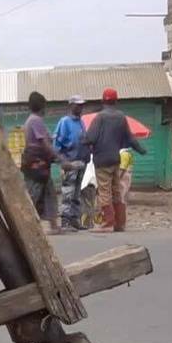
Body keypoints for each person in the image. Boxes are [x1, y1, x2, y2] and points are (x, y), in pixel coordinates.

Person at [82, 88, 146, 232]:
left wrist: (82, 140)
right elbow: (130, 138)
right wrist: (141, 150)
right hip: (116, 160)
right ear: (116, 101)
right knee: (116, 190)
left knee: (104, 191)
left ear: (103, 101)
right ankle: (120, 223)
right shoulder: (121, 117)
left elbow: (90, 138)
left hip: (101, 160)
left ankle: (107, 223)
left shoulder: (100, 117)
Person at [20, 91, 61, 234]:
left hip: (39, 165)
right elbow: (44, 142)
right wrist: (58, 158)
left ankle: (53, 226)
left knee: (49, 194)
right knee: (33, 196)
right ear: (42, 106)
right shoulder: (35, 121)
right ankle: (25, 227)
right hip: (37, 165)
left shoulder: (31, 120)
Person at [53, 95, 90, 231]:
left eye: (82, 105)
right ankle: (65, 221)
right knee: (68, 193)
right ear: (70, 106)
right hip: (70, 162)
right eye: (78, 105)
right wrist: (63, 161)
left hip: (81, 162)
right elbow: (57, 144)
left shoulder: (81, 122)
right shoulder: (64, 122)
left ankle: (74, 220)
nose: (80, 107)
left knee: (76, 193)